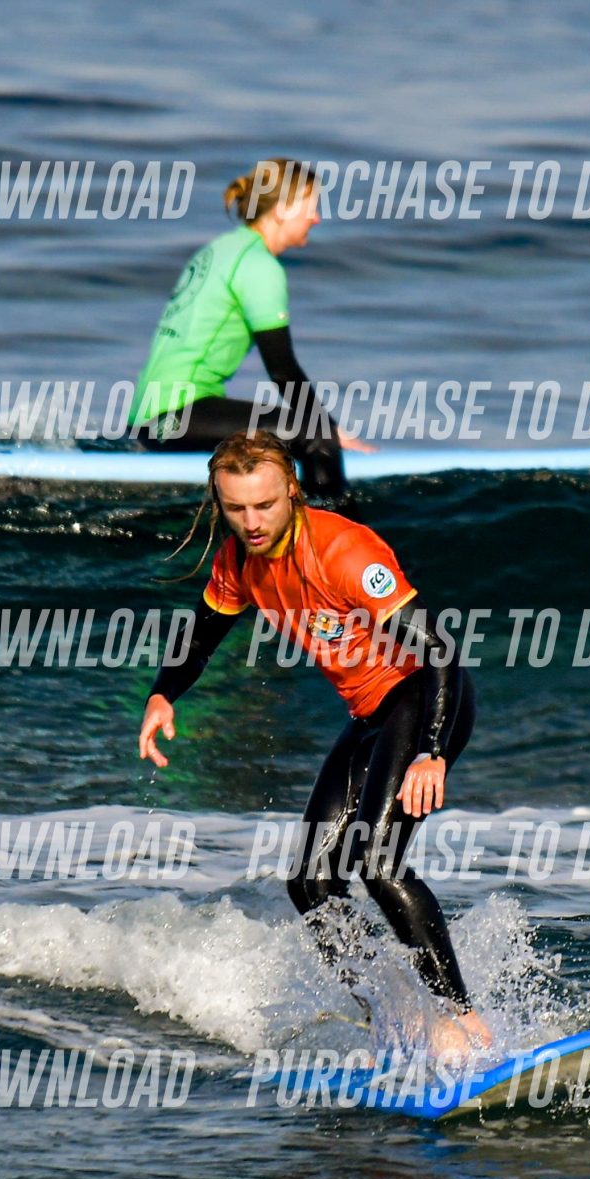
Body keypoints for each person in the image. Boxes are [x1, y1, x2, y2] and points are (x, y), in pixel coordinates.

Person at [137, 431, 488, 1062]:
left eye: (264, 505)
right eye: (236, 508)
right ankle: (393, 1014)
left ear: (293, 493)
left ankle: (463, 1020)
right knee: (310, 882)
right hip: (369, 716)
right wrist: (164, 694)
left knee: (378, 864)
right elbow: (203, 634)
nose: (251, 522)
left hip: (422, 698)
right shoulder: (240, 561)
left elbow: (440, 651)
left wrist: (432, 751)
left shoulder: (344, 551)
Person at [131, 158, 370, 498]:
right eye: (311, 207)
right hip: (175, 415)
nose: (316, 218)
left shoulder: (219, 249)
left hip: (151, 416)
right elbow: (282, 370)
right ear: (283, 209)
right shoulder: (259, 265)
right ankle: (332, 531)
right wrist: (329, 431)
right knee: (314, 433)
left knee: (303, 428)